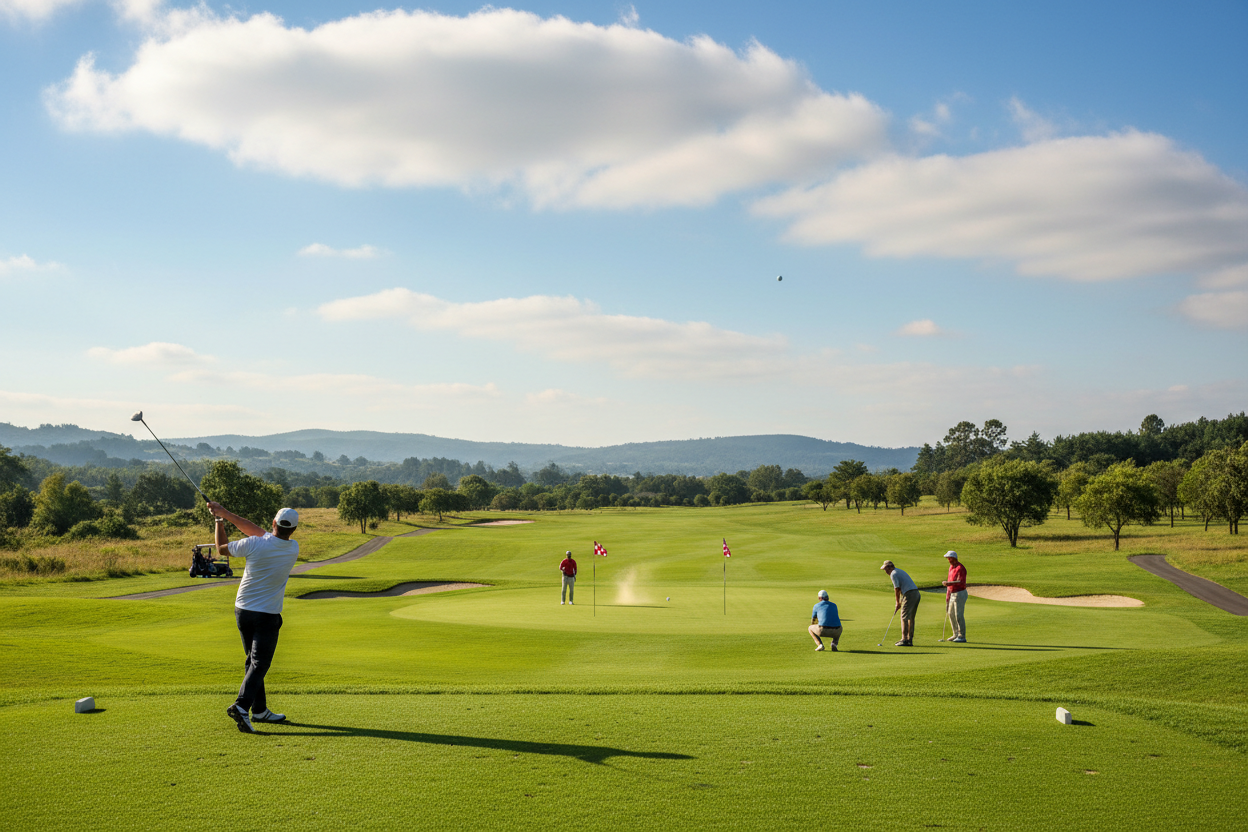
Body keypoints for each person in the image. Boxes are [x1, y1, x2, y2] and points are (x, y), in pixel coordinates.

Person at [209, 500, 300, 734]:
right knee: (260, 663)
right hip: (267, 614)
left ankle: (259, 710)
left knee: (252, 662)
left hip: (243, 610)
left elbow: (221, 548)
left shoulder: (254, 544)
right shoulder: (293, 548)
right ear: (294, 530)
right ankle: (241, 706)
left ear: (273, 523)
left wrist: (220, 520)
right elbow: (256, 531)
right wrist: (225, 513)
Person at [881, 560, 920, 646]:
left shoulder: (893, 574)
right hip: (915, 593)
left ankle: (904, 639)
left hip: (910, 594)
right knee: (910, 617)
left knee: (904, 616)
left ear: (889, 567)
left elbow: (897, 588)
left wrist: (897, 602)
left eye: (885, 569)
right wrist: (901, 600)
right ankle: (909, 639)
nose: (885, 572)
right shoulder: (898, 571)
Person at [942, 550, 968, 643]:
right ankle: (955, 634)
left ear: (953, 558)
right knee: (950, 613)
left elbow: (960, 581)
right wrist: (947, 597)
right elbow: (949, 581)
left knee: (958, 615)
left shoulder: (961, 568)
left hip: (960, 593)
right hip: (952, 593)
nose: (948, 560)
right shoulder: (951, 567)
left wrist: (948, 583)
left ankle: (962, 636)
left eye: (949, 558)